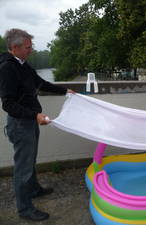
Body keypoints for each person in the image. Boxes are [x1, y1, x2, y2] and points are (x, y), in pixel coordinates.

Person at [0, 28, 74, 221]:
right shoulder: (7, 68)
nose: (31, 50)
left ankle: (33, 189)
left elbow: (40, 83)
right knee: (23, 167)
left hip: (30, 120)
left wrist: (65, 91)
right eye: (28, 47)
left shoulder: (23, 64)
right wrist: (35, 115)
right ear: (15, 48)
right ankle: (25, 209)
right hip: (20, 124)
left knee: (30, 160)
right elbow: (8, 104)